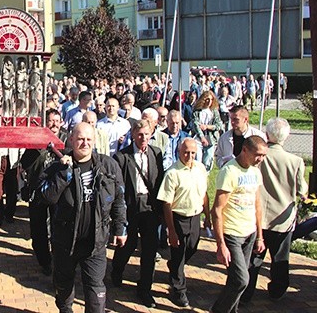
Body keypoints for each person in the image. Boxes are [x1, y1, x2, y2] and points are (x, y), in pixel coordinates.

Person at [40, 122, 127, 312]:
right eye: (80, 139)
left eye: (88, 139)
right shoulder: (57, 167)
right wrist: (64, 175)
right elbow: (45, 197)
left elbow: (119, 198)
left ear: (95, 141)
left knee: (96, 291)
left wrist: (121, 228)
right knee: (63, 288)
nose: (84, 143)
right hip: (65, 241)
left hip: (95, 242)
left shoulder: (108, 166)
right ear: (71, 140)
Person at [241, 118, 308, 302]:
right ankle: (277, 290)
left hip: (258, 216)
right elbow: (302, 190)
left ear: (267, 134)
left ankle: (246, 293)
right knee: (280, 259)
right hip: (282, 219)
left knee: (254, 259)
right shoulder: (295, 161)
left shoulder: (260, 156)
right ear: (286, 137)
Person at [210, 135, 268, 313]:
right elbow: (217, 210)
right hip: (232, 233)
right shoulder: (230, 171)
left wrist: (259, 236)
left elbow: (257, 205)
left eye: (264, 156)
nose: (260, 159)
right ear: (245, 150)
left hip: (249, 232)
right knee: (242, 279)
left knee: (235, 280)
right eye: (257, 155)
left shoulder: (255, 172)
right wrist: (220, 244)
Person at [111, 119, 164, 308]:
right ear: (133, 134)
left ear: (151, 135)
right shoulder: (122, 157)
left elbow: (159, 183)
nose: (143, 138)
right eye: (140, 134)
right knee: (128, 245)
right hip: (130, 207)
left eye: (146, 134)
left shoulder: (156, 153)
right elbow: (118, 187)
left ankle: (144, 289)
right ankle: (117, 270)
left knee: (150, 250)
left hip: (150, 208)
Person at [157, 139, 210, 307]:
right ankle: (179, 289)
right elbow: (167, 203)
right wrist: (171, 230)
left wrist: (207, 216)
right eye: (186, 152)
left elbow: (205, 194)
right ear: (179, 152)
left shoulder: (200, 169)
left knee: (192, 248)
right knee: (179, 252)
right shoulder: (172, 173)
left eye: (193, 153)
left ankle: (174, 267)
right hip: (178, 217)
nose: (189, 156)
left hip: (195, 215)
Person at [20, 109, 68, 275]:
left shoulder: (67, 138)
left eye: (57, 120)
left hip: (59, 193)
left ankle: (58, 258)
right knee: (38, 229)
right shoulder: (36, 139)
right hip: (38, 191)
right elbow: (25, 162)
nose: (54, 124)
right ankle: (44, 261)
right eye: (50, 120)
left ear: (61, 122)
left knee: (59, 227)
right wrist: (39, 147)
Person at [0, 147, 22, 227]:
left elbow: (21, 146)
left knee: (12, 191)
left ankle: (9, 214)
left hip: (12, 163)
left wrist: (21, 162)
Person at [191, 90, 223, 171]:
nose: (209, 102)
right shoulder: (197, 111)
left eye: (211, 99)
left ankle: (205, 175)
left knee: (208, 160)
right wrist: (202, 137)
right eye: (207, 99)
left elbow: (218, 125)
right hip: (198, 139)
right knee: (198, 159)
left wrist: (207, 126)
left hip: (211, 139)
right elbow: (196, 124)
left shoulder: (214, 112)